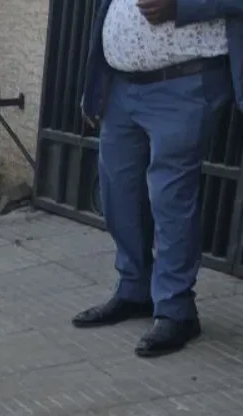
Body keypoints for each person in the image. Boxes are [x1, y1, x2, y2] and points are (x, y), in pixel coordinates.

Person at [74, 0, 241, 358]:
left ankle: (176, 309)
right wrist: (95, 88)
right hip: (121, 85)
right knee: (118, 191)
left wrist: (182, 6)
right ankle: (134, 289)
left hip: (185, 81)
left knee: (170, 198)